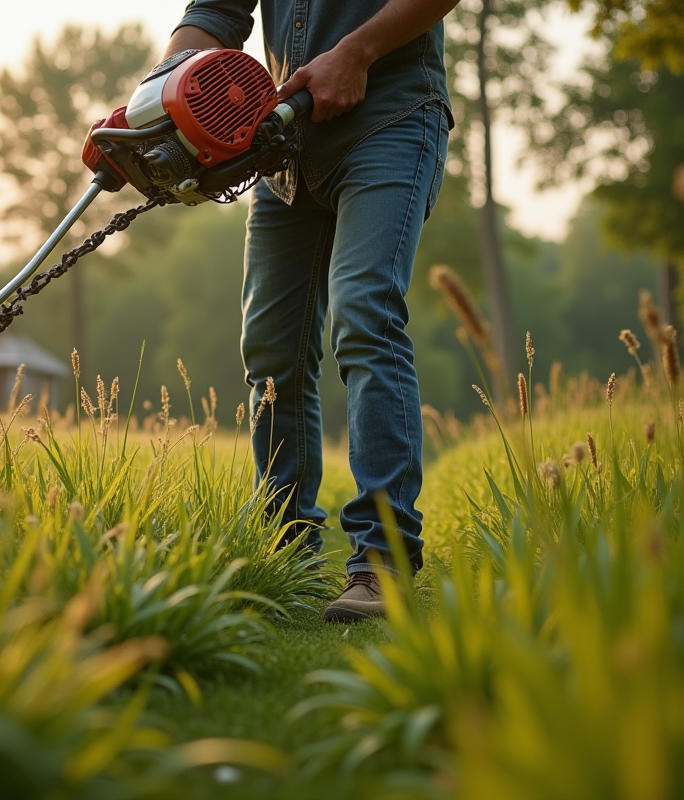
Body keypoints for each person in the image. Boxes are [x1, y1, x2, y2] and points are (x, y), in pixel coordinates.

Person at [162, 0, 457, 621]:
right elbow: (214, 14)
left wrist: (357, 51)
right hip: (284, 145)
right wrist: (164, 94)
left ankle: (383, 563)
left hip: (391, 117)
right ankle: (284, 551)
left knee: (364, 317)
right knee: (271, 350)